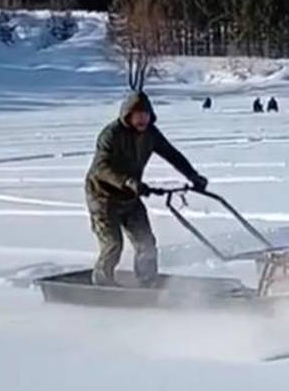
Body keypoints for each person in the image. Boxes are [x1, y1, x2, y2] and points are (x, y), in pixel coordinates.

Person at [85, 91, 208, 287]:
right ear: (128, 115)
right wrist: (128, 181)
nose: (142, 119)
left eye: (146, 115)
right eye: (138, 115)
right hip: (103, 196)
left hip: (130, 196)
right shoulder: (111, 134)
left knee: (146, 243)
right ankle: (102, 285)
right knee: (113, 245)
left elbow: (171, 154)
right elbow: (101, 168)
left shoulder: (151, 134)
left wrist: (192, 175)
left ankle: (148, 282)